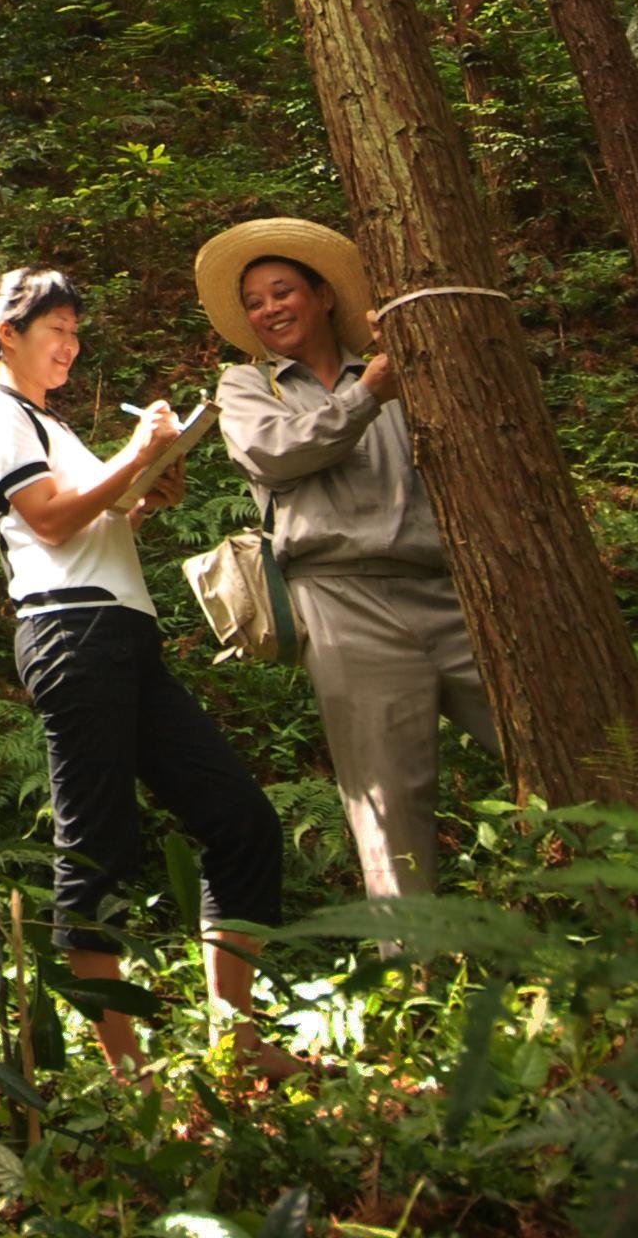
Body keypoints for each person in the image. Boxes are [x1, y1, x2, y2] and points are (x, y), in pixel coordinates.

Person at [0, 265, 290, 1081]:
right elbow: (50, 522)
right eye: (56, 331)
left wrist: (144, 492)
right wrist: (136, 450)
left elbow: (89, 517)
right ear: (8, 337)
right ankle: (125, 1073)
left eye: (75, 331)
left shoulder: (47, 422)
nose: (71, 345)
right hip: (70, 633)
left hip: (122, 635)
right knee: (97, 850)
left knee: (241, 821)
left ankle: (235, 1039)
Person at [199, 217, 501, 900]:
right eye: (255, 301)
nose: (269, 309)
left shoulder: (398, 366)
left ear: (324, 295)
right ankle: (414, 987)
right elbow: (272, 453)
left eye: (283, 291)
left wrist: (388, 372)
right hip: (341, 603)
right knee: (388, 810)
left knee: (550, 743)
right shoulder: (250, 388)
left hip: (449, 590)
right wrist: (369, 396)